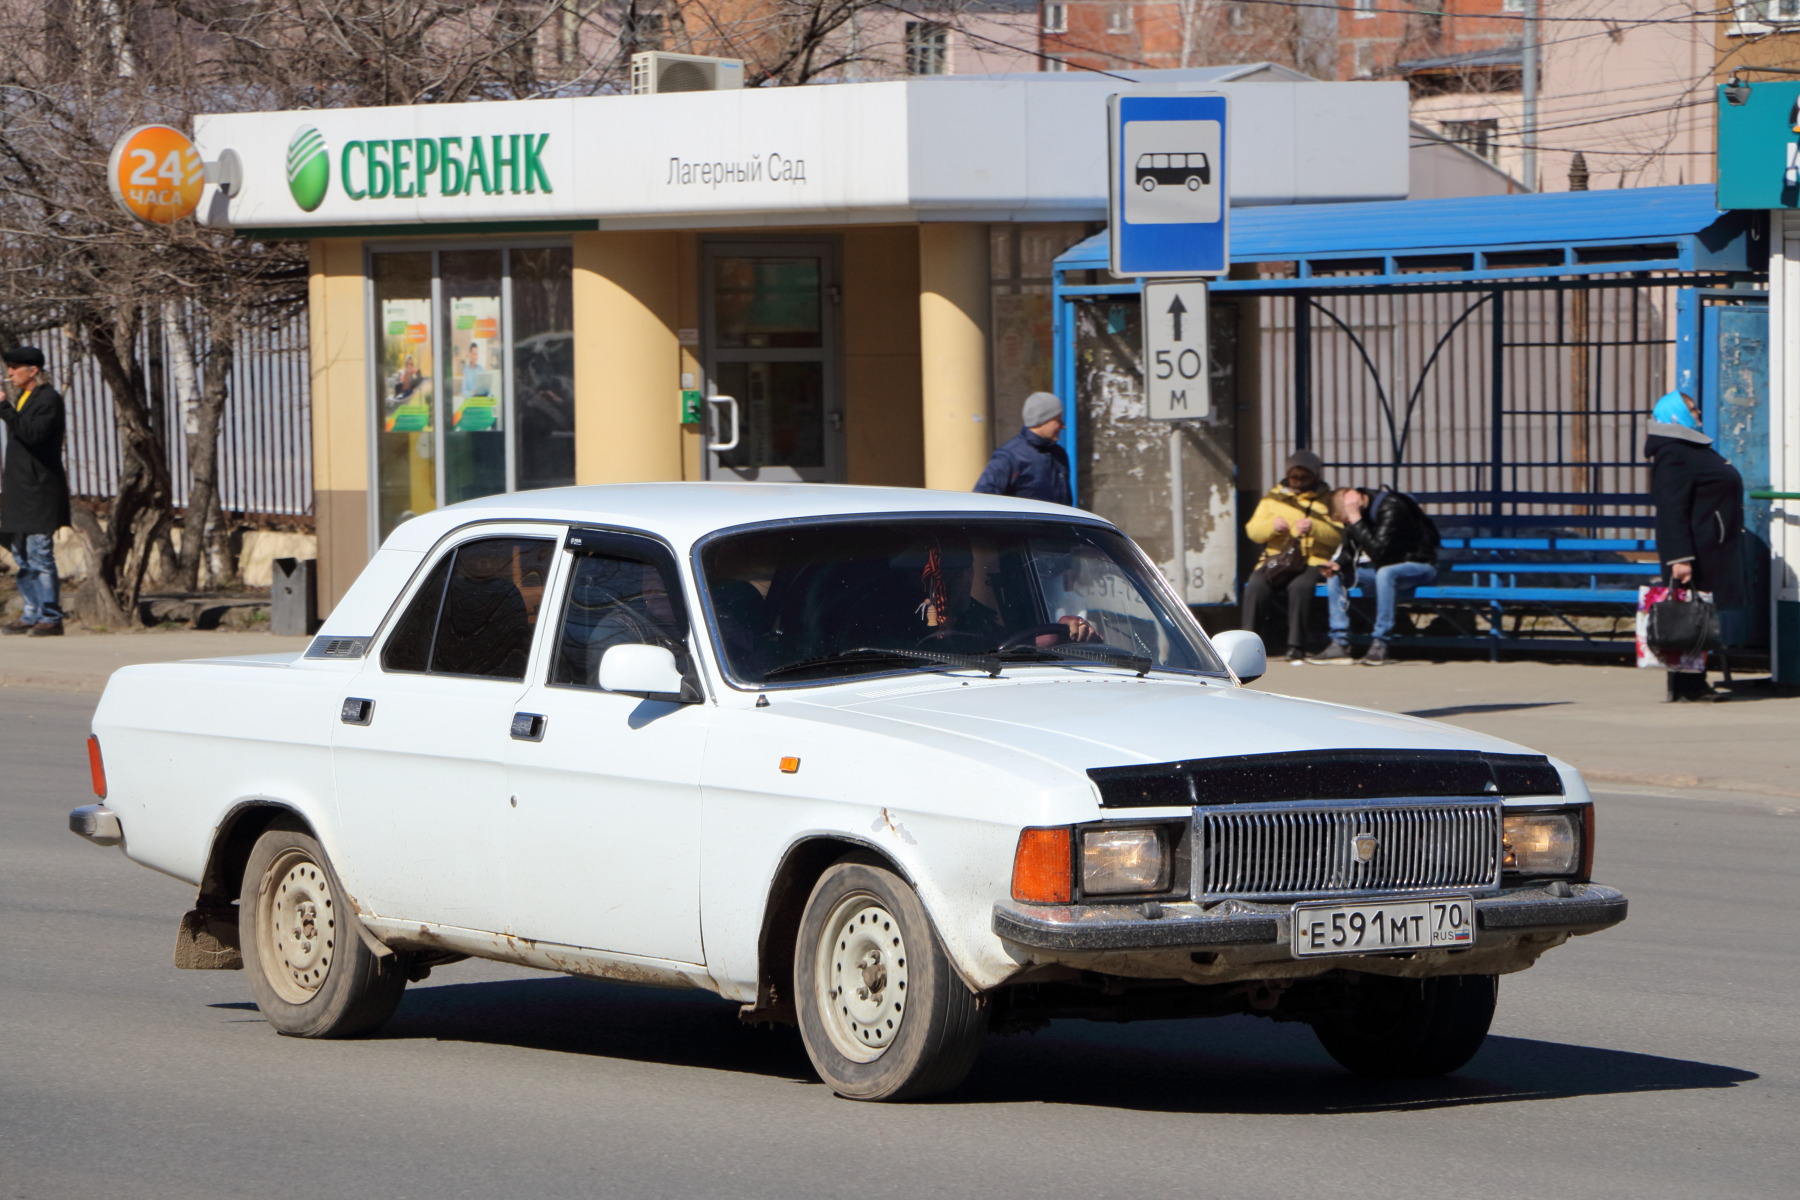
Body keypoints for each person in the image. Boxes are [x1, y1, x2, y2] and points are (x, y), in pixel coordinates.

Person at [1646, 390, 1743, 702]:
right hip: (1694, 549)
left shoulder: (1691, 448)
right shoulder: (1674, 453)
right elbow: (1670, 509)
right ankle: (1688, 686)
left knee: (1696, 614)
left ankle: (1691, 683)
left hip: (1708, 545)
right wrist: (1679, 557)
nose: (1698, 412)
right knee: (1687, 613)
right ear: (1675, 415)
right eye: (1691, 409)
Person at [1315, 484, 1441, 665]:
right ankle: (1339, 642)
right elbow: (1350, 550)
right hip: (1385, 569)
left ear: (1356, 504)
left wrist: (1356, 519)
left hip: (1420, 567)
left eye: (1348, 520)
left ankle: (1380, 643)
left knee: (1385, 573)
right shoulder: (1356, 516)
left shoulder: (1391, 507)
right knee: (1336, 575)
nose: (1349, 524)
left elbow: (1378, 553)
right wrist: (1338, 564)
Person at [1241, 450, 1342, 662]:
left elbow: (1338, 536)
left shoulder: (1328, 500)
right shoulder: (1272, 499)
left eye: (1305, 477)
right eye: (1294, 477)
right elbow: (1253, 531)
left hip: (1312, 560)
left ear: (1316, 476)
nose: (1299, 482)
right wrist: (1272, 526)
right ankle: (1248, 644)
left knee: (1300, 587)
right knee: (1256, 586)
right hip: (1277, 559)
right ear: (1287, 475)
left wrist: (1315, 527)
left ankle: (1296, 645)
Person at [0, 346, 70, 637]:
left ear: (34, 371)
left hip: (39, 490)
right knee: (22, 556)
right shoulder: (25, 397)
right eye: (9, 367)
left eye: (15, 367)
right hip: (19, 490)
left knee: (40, 554)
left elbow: (33, 434)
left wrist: (4, 408)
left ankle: (50, 616)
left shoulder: (48, 399)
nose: (10, 372)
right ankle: (31, 613)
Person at [974, 392, 1071, 506]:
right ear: (1042, 420)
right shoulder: (1009, 457)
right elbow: (982, 499)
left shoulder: (1059, 454)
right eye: (1058, 420)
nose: (1063, 425)